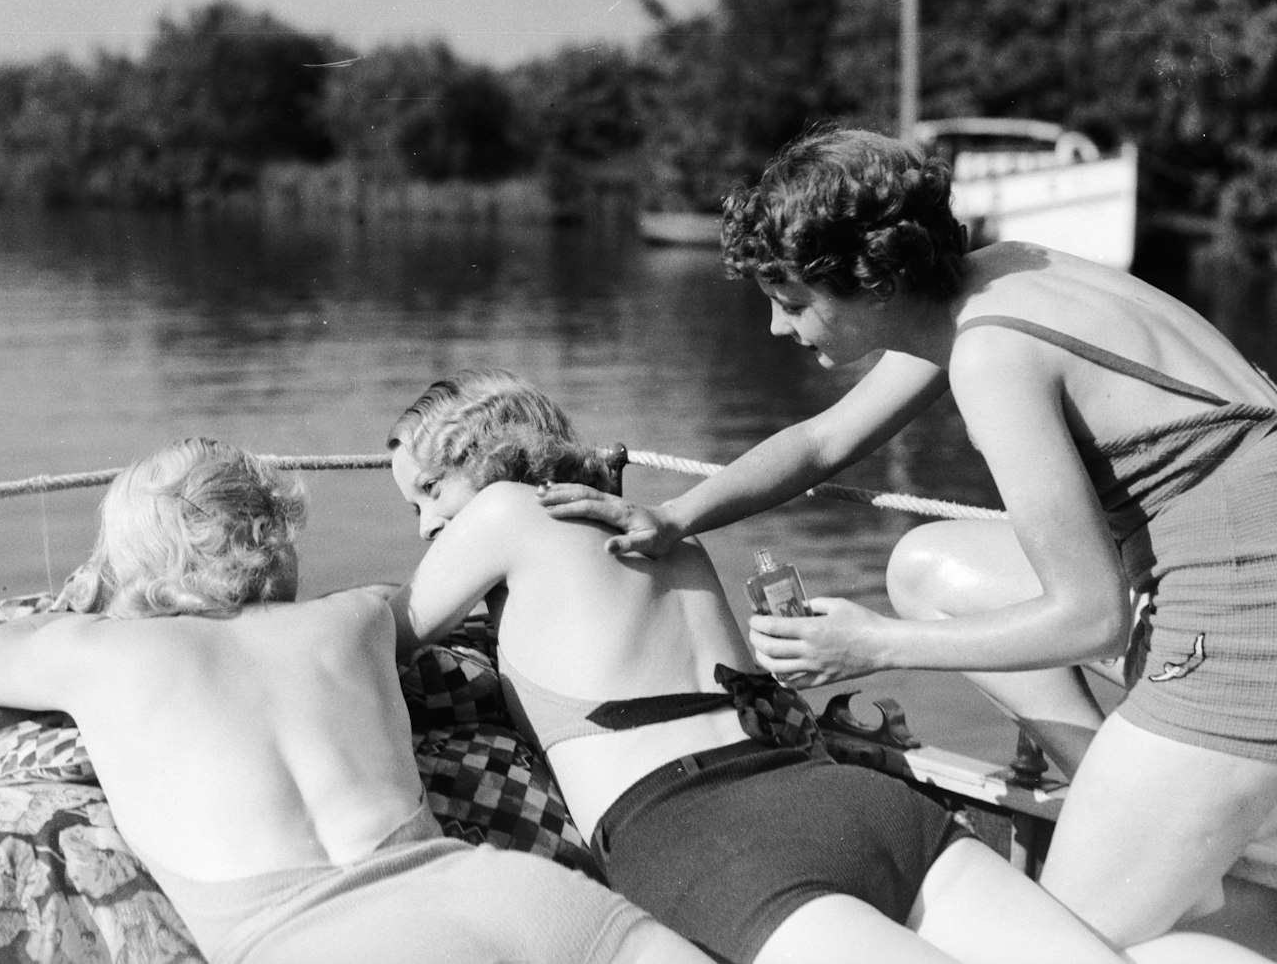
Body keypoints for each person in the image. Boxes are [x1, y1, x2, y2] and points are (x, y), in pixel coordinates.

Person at [534, 124, 1277, 951]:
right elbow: (823, 443)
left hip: (1242, 639)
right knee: (928, 567)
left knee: (1045, 949)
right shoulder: (991, 281)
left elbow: (1090, 617)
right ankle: (1131, 793)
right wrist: (677, 515)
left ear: (872, 283)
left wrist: (874, 645)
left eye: (791, 303)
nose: (782, 330)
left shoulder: (993, 357)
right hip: (1211, 583)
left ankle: (1167, 803)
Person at [387, 368, 1248, 964]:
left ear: (478, 456)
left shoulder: (500, 514)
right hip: (851, 803)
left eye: (429, 491)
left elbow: (376, 637)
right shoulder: (659, 533)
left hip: (705, 839)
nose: (426, 525)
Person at [0, 437, 704, 964]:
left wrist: (88, 605)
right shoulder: (360, 616)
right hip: (508, 892)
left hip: (316, 939)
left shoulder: (93, 652)